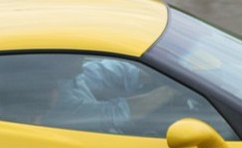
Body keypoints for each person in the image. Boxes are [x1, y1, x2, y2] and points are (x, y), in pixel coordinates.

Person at [43, 56, 177, 135]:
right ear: (55, 63)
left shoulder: (66, 78)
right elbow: (118, 113)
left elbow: (106, 72)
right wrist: (171, 89)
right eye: (73, 59)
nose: (80, 64)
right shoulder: (59, 101)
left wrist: (154, 74)